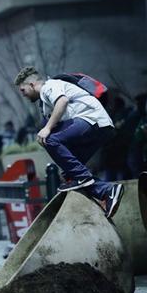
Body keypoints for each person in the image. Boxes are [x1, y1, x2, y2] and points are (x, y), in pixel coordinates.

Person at [14, 66, 123, 218]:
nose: (23, 95)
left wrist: (47, 128)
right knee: (71, 174)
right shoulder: (45, 105)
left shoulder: (49, 86)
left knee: (49, 140)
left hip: (92, 121)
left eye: (23, 90)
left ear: (32, 85)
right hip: (101, 128)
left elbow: (62, 101)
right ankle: (106, 193)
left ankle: (94, 184)